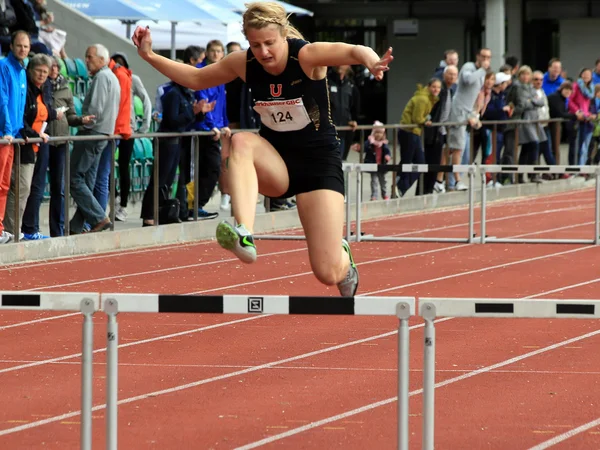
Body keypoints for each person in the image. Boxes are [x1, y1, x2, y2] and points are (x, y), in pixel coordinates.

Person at [132, 1, 393, 297]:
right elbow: (195, 78)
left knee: (328, 272)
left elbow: (352, 50)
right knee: (241, 140)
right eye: (255, 45)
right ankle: (244, 233)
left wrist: (372, 60)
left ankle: (341, 251)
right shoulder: (243, 63)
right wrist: (149, 55)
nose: (264, 52)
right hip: (277, 161)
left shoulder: (306, 55)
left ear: (284, 35)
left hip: (318, 164)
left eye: (270, 43)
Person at [0, 30, 29, 244]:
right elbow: (2, 100)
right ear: (11, 46)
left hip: (13, 136)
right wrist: (9, 129)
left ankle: (0, 227)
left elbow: (20, 105)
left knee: (4, 185)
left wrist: (19, 131)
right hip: (4, 135)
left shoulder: (22, 70)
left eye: (26, 46)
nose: (22, 49)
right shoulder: (4, 66)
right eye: (19, 45)